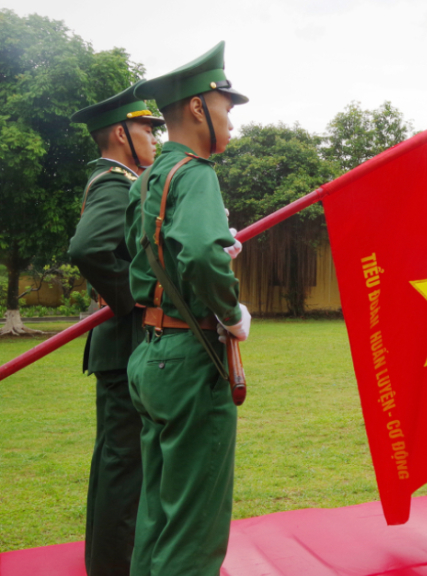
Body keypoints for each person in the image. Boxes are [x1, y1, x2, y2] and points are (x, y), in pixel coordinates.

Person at [125, 42, 251, 576]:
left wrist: (211, 251)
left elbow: (148, 257)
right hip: (189, 356)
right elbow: (198, 251)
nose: (229, 120)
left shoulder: (152, 175)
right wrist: (230, 311)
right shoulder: (195, 173)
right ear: (200, 107)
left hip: (150, 353)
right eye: (225, 107)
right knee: (193, 525)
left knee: (157, 514)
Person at [68, 82, 164, 576]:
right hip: (123, 342)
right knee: (123, 470)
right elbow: (88, 249)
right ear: (122, 135)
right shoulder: (114, 182)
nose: (154, 136)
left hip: (120, 345)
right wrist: (134, 298)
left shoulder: (128, 179)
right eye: (148, 128)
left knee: (120, 466)